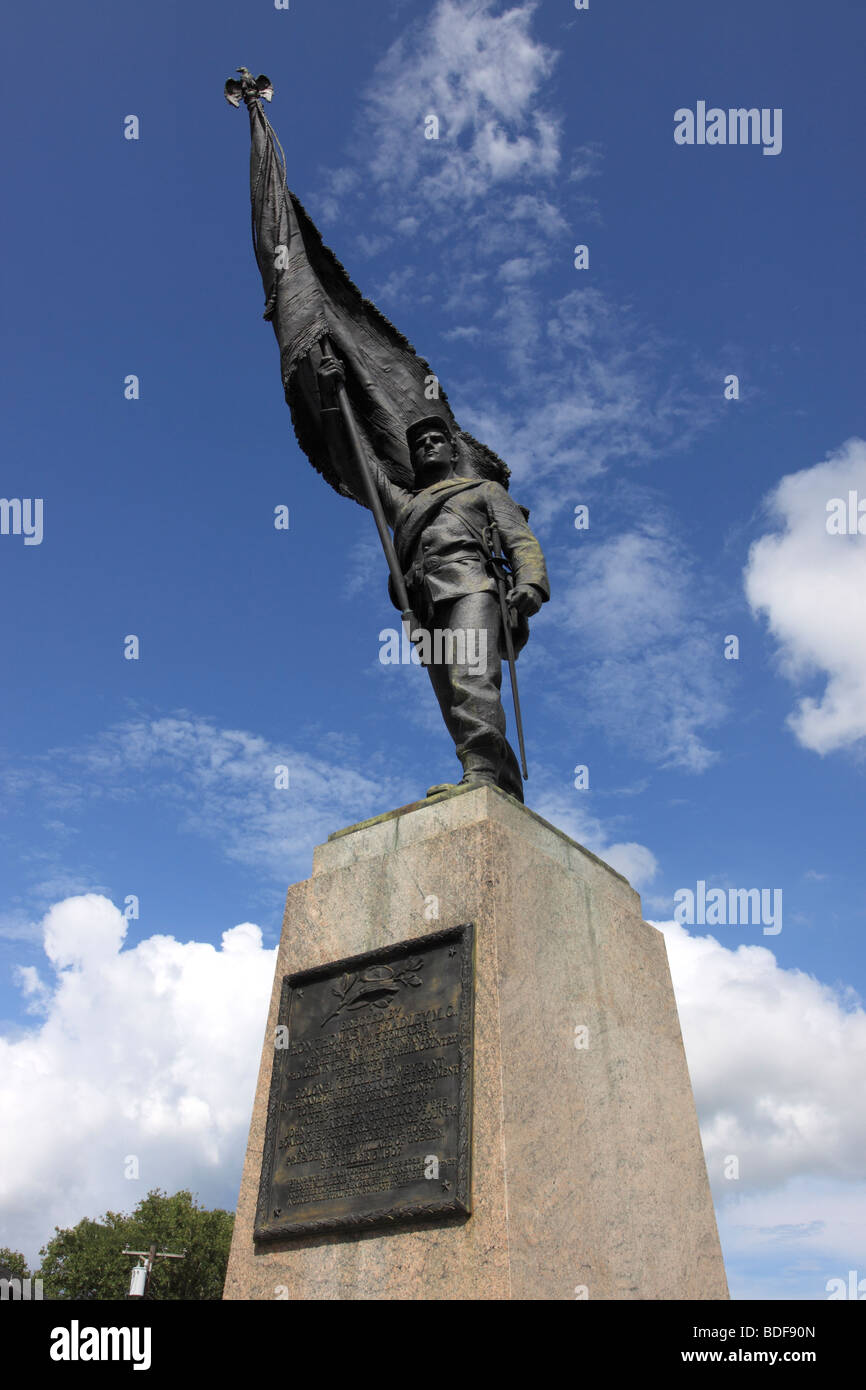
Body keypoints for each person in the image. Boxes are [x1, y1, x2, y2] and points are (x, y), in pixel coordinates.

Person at [317, 356, 549, 803]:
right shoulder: (405, 505)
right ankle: (503, 785)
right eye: (419, 442)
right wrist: (331, 398)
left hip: (472, 588)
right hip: (426, 607)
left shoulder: (483, 491)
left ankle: (480, 771)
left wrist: (531, 584)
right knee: (453, 701)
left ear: (451, 450)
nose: (427, 445)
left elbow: (521, 541)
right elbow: (356, 467)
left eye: (435, 440)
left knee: (472, 677)